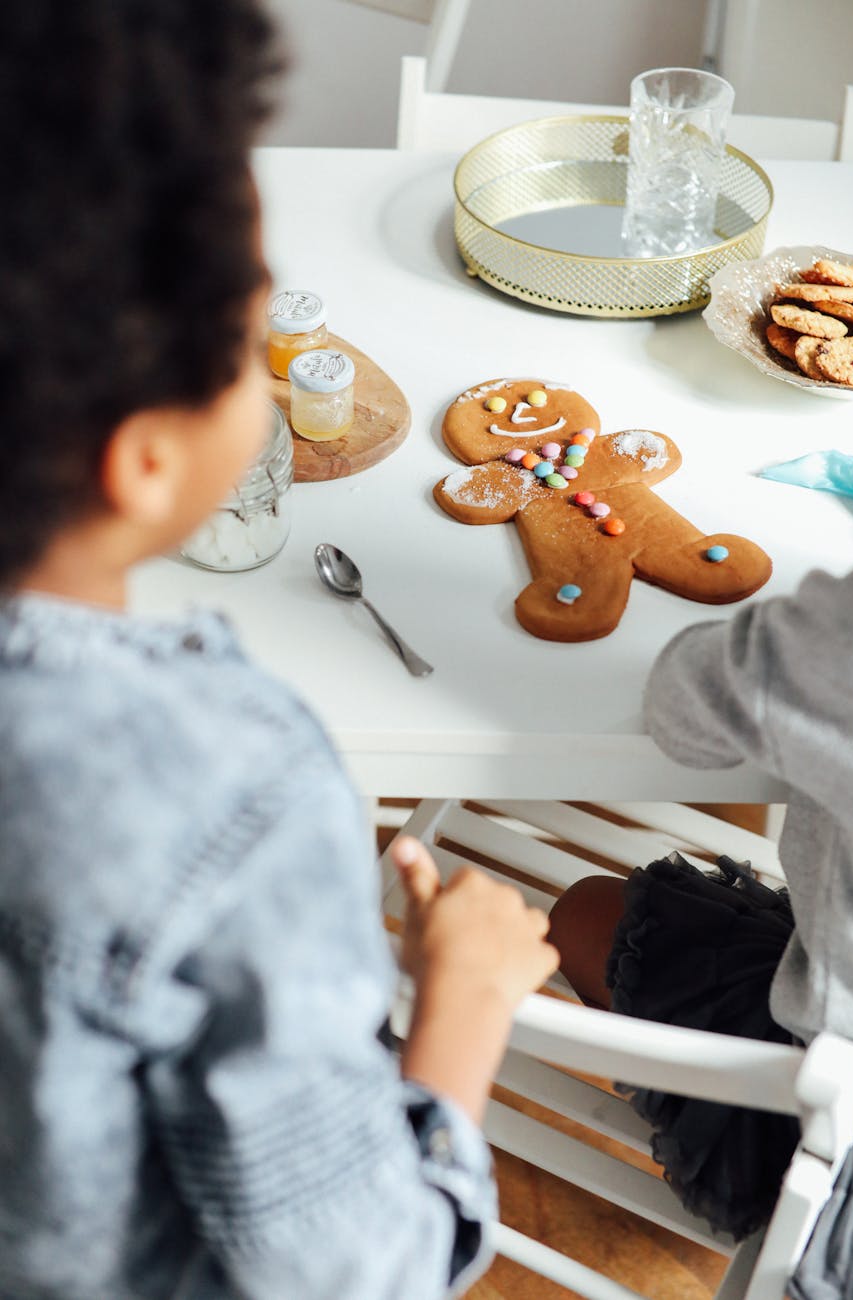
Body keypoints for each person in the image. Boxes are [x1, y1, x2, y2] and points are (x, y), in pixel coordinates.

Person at [0, 4, 558, 1297]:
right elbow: (360, 1276)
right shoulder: (231, 801)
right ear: (140, 462)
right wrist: (460, 1007)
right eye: (249, 345)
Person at [549, 563, 853, 1289]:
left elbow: (682, 707)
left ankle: (737, 1159)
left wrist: (793, 623)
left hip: (834, 1140)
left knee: (580, 913)